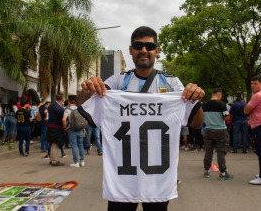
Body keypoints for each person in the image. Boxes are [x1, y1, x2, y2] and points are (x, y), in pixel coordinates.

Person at [77, 26, 205, 211]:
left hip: (157, 182)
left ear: (157, 51)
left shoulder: (172, 84)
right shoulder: (117, 82)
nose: (144, 50)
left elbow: (196, 123)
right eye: (138, 45)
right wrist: (87, 90)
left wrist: (196, 100)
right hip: (122, 182)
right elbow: (85, 104)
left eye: (149, 46)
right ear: (131, 50)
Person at [202, 88, 233, 180]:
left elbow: (202, 117)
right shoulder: (222, 105)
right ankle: (222, 173)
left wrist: (208, 122)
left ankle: (206, 171)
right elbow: (227, 118)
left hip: (208, 129)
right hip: (220, 130)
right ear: (219, 95)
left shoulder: (204, 105)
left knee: (208, 150)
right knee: (221, 152)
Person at [62, 99, 85, 167]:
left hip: (72, 130)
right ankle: (82, 161)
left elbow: (63, 119)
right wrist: (83, 127)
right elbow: (85, 119)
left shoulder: (67, 110)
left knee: (74, 146)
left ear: (69, 103)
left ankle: (76, 162)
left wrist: (65, 127)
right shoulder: (80, 109)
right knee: (81, 145)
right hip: (80, 129)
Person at [47, 93, 66, 166]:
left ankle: (52, 159)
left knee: (52, 143)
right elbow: (63, 116)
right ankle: (54, 160)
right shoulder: (59, 108)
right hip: (56, 127)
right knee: (55, 144)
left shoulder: (51, 105)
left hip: (50, 126)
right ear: (62, 99)